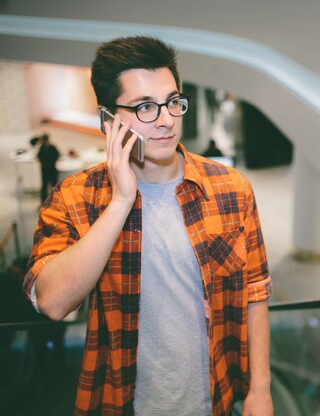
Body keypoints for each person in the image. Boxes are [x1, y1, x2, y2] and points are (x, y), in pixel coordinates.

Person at [23, 36, 273, 415]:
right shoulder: (75, 198)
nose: (167, 119)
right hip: (125, 404)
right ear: (109, 119)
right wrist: (121, 201)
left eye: (173, 101)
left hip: (216, 400)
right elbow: (53, 302)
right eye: (145, 107)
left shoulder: (231, 188)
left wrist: (261, 389)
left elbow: (255, 292)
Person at [36, 133, 60, 203]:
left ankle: (44, 202)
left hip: (45, 170)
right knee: (53, 186)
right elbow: (57, 155)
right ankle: (55, 201)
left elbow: (38, 157)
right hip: (52, 169)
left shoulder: (42, 148)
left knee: (45, 186)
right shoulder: (52, 147)